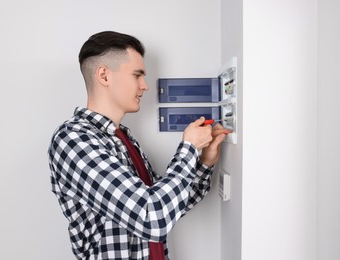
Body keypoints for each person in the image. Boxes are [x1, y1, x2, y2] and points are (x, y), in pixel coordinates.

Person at [48, 31, 231, 260]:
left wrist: (203, 162)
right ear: (104, 76)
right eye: (137, 75)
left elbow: (167, 207)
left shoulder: (124, 139)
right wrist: (189, 148)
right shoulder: (73, 141)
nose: (145, 86)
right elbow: (151, 218)